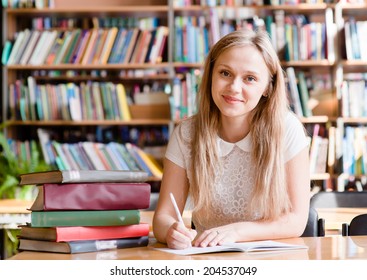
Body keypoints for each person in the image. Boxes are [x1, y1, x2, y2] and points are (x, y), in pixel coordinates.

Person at [153, 29, 310, 249]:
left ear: (267, 88)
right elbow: (162, 217)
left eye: (250, 78)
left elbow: (296, 221)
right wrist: (171, 231)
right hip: (208, 259)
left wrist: (236, 231)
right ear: (211, 76)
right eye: (225, 73)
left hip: (271, 260)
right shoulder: (187, 133)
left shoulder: (286, 129)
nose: (234, 88)